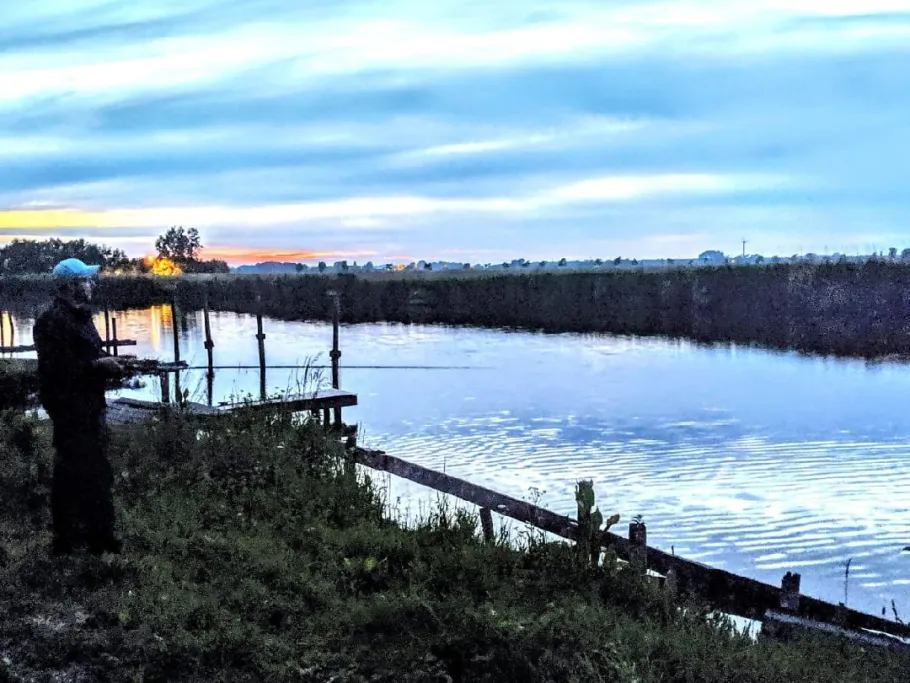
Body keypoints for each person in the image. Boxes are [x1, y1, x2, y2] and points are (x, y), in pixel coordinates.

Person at [32, 258, 127, 556]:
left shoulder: (81, 317)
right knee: (74, 471)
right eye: (86, 280)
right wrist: (100, 365)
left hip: (90, 404)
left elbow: (90, 354)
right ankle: (69, 541)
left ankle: (98, 536)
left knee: (95, 470)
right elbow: (58, 369)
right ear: (72, 286)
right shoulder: (51, 321)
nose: (91, 284)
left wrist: (116, 362)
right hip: (69, 408)